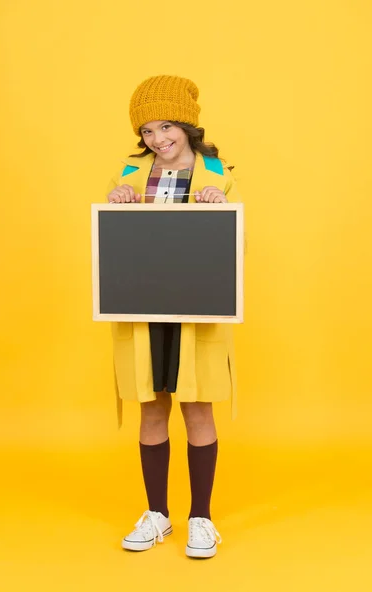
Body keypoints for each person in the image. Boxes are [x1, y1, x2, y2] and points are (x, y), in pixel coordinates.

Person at [106, 75, 241, 558]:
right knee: (151, 406)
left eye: (166, 126)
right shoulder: (128, 175)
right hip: (142, 310)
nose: (158, 139)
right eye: (146, 131)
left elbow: (229, 246)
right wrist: (118, 203)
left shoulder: (216, 173)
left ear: (187, 124)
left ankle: (200, 518)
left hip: (196, 310)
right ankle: (157, 514)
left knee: (198, 406)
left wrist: (219, 206)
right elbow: (117, 244)